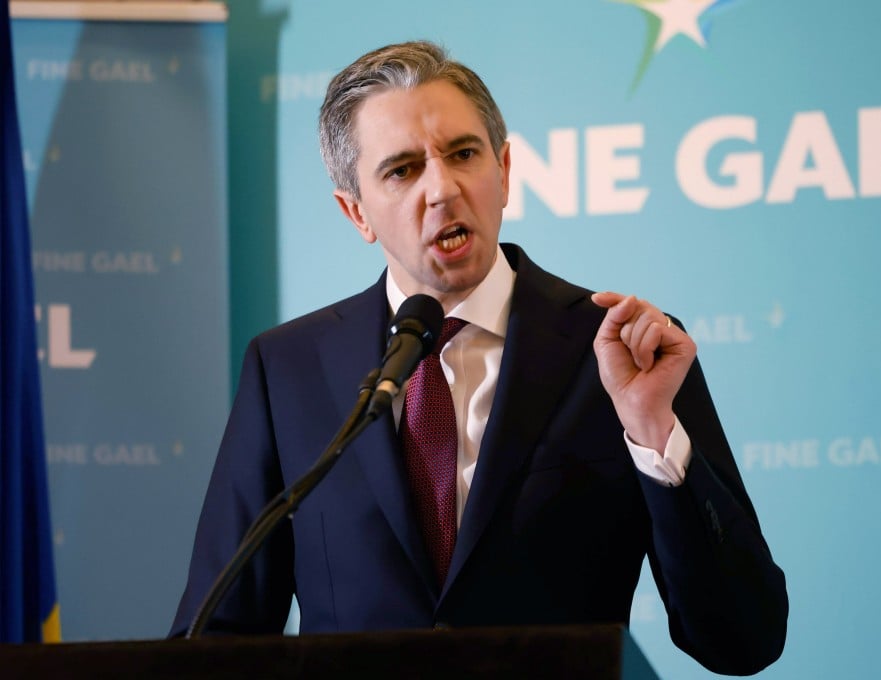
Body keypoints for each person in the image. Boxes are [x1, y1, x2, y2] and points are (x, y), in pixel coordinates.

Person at [171, 41, 787, 675]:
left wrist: (654, 434)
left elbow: (744, 639)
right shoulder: (289, 370)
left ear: (504, 171)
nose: (442, 188)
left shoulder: (621, 351)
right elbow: (220, 633)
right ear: (356, 211)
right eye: (403, 170)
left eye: (463, 154)